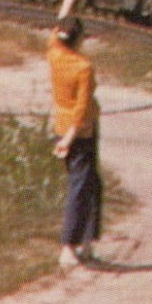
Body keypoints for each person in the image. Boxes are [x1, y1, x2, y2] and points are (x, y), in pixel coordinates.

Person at [48, 14, 101, 270]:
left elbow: (55, 32)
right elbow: (81, 108)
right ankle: (68, 246)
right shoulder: (83, 67)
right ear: (81, 39)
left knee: (91, 183)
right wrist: (69, 138)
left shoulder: (55, 54)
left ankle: (86, 242)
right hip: (79, 131)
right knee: (80, 187)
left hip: (63, 126)